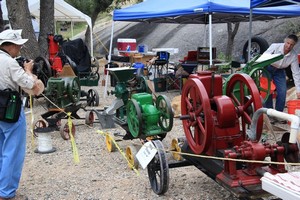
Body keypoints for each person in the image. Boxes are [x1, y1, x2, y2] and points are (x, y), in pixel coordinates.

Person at [0, 29, 44, 200]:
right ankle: (6, 192)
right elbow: (30, 85)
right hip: (9, 108)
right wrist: (28, 70)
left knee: (1, 149)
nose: (19, 49)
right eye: (18, 46)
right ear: (10, 46)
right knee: (13, 151)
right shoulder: (9, 63)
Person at [262, 34, 300, 123]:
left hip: (280, 71)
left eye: (292, 44)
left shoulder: (293, 55)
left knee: (282, 92)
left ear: (294, 45)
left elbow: (296, 73)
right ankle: (269, 114)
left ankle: (278, 114)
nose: (289, 46)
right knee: (268, 91)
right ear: (285, 41)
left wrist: (298, 90)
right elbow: (264, 57)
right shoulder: (275, 46)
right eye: (288, 43)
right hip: (268, 68)